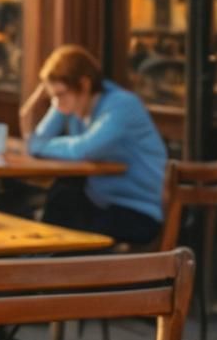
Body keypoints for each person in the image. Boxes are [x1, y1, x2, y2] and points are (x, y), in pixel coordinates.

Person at [21, 44, 166, 245]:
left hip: (137, 211)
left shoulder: (122, 105)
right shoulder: (73, 105)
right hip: (103, 202)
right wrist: (56, 107)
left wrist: (38, 145)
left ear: (84, 85)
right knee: (60, 197)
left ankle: (45, 267)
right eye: (52, 96)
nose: (57, 102)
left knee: (63, 214)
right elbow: (38, 139)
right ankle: (41, 265)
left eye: (60, 94)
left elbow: (82, 149)